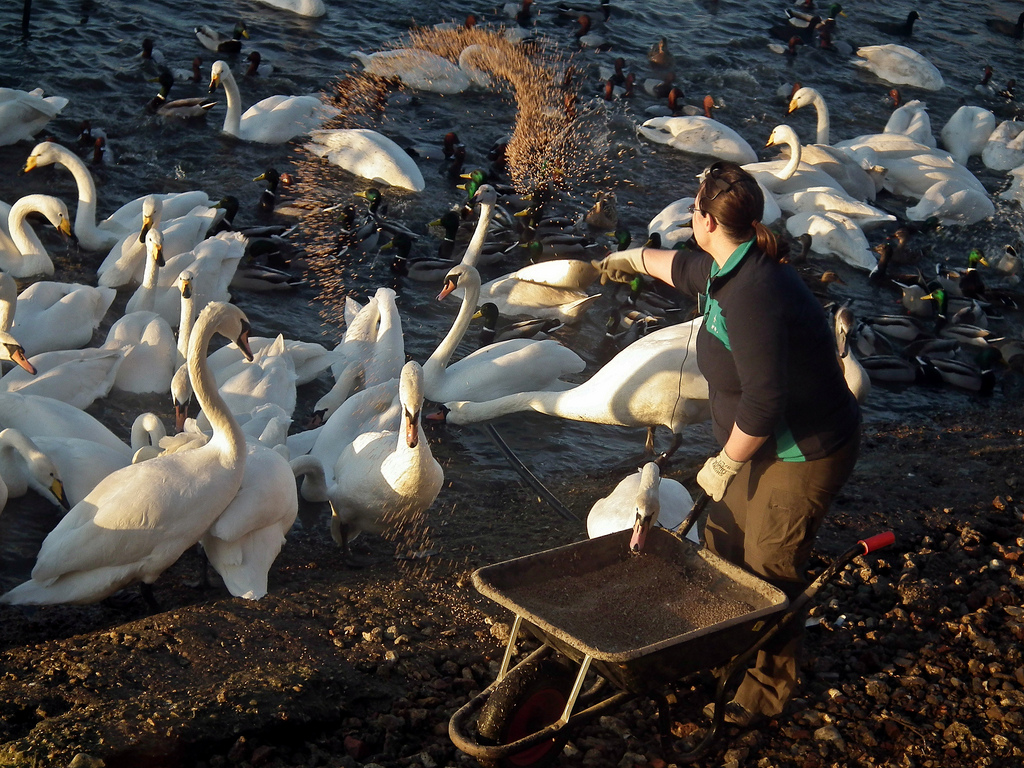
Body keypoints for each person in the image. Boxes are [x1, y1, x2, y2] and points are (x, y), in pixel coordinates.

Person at [593, 161, 860, 727]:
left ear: (709, 221)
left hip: (802, 450)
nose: (691, 216)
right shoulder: (730, 265)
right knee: (720, 547)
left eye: (694, 209)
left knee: (769, 567)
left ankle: (762, 695)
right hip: (756, 444)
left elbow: (765, 402)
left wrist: (722, 465)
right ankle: (722, 655)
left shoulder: (755, 294)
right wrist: (629, 259)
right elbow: (684, 268)